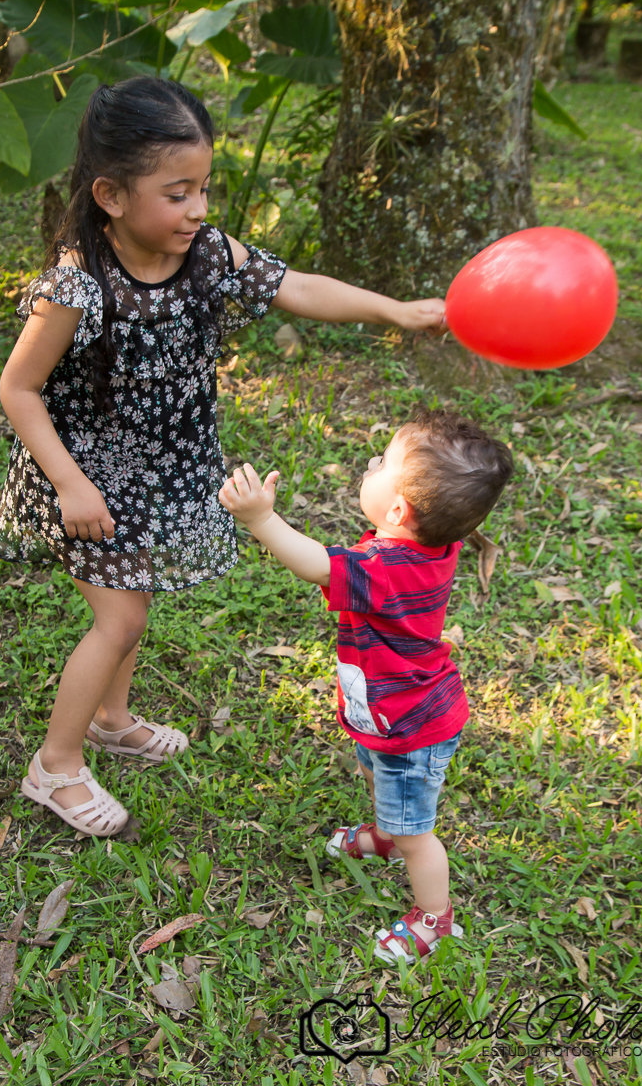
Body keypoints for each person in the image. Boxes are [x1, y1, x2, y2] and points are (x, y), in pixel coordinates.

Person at [0, 77, 447, 838]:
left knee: (135, 598)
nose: (199, 208)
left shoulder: (206, 253)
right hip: (83, 476)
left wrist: (393, 311)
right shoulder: (78, 285)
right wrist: (70, 484)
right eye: (178, 194)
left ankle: (112, 720)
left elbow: (298, 287)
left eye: (203, 188)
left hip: (158, 470)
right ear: (110, 195)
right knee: (120, 620)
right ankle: (56, 766)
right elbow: (18, 389)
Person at [219, 408, 513, 963]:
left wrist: (261, 518)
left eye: (382, 464)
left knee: (417, 835)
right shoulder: (436, 543)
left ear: (398, 510)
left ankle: (434, 917)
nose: (370, 463)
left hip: (410, 728)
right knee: (376, 777)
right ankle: (385, 833)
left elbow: (316, 565)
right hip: (386, 712)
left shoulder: (386, 570)